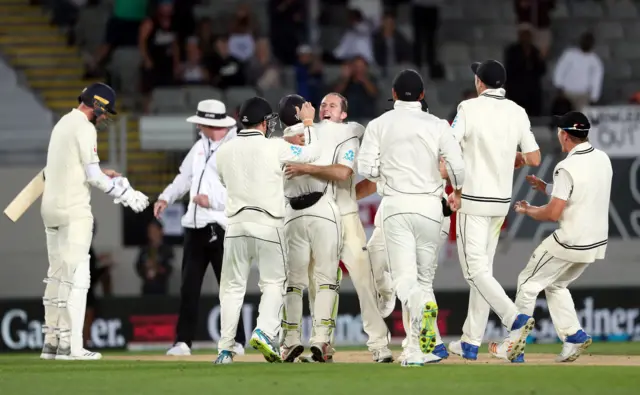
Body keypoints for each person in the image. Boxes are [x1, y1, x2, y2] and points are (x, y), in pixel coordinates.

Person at [357, 69, 465, 367]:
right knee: (424, 279)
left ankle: (421, 313)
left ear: (393, 94)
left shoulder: (379, 124)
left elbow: (366, 168)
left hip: (396, 205)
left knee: (406, 281)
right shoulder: (438, 124)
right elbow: (458, 166)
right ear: (421, 96)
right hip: (431, 207)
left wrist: (389, 173)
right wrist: (456, 190)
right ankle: (419, 350)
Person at [491, 111, 611, 363]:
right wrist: (546, 187)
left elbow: (553, 213)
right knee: (556, 284)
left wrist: (528, 209)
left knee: (527, 283)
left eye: (559, 131)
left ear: (564, 135)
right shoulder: (602, 159)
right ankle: (573, 336)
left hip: (569, 241)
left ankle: (513, 347)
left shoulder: (566, 166)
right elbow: (582, 191)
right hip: (595, 243)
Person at [40, 82, 148, 361]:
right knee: (78, 280)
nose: (105, 118)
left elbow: (72, 167)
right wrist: (127, 194)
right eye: (105, 112)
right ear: (97, 106)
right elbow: (93, 178)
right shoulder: (85, 129)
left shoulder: (62, 123)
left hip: (51, 209)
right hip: (73, 211)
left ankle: (52, 344)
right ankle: (74, 347)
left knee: (57, 276)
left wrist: (102, 171)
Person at [283, 92, 393, 363]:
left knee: (362, 279)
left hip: (345, 214)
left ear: (344, 113)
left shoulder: (349, 134)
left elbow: (343, 172)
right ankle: (323, 343)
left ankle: (379, 344)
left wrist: (307, 167)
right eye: (322, 104)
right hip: (316, 214)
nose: (325, 107)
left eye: (332, 105)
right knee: (316, 280)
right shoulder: (308, 131)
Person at [445, 60, 541, 362]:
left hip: (472, 199)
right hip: (500, 202)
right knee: (482, 272)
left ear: (479, 82)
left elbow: (449, 144)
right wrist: (515, 158)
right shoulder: (517, 111)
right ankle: (471, 341)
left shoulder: (468, 109)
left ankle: (514, 318)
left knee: (474, 272)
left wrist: (453, 182)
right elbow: (535, 157)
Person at [213, 97, 321, 364]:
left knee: (230, 289)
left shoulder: (223, 151)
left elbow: (223, 180)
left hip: (236, 225)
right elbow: (312, 154)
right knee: (273, 284)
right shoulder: (275, 147)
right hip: (268, 225)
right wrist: (307, 123)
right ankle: (264, 331)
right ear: (263, 122)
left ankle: (225, 350)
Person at [154, 99, 245, 357]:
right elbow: (183, 178)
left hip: (220, 225)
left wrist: (212, 201)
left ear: (209, 123)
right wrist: (165, 197)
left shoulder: (236, 148)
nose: (198, 128)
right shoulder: (200, 146)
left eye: (201, 124)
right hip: (194, 227)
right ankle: (183, 342)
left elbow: (243, 191)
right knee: (188, 287)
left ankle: (236, 340)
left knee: (228, 287)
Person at [135, 220, 174, 295]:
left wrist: (157, 267)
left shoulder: (167, 250)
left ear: (161, 231)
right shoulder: (144, 249)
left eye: (154, 231)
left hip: (161, 289)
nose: (152, 234)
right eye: (150, 231)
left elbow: (169, 268)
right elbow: (138, 266)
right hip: (146, 289)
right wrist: (145, 267)